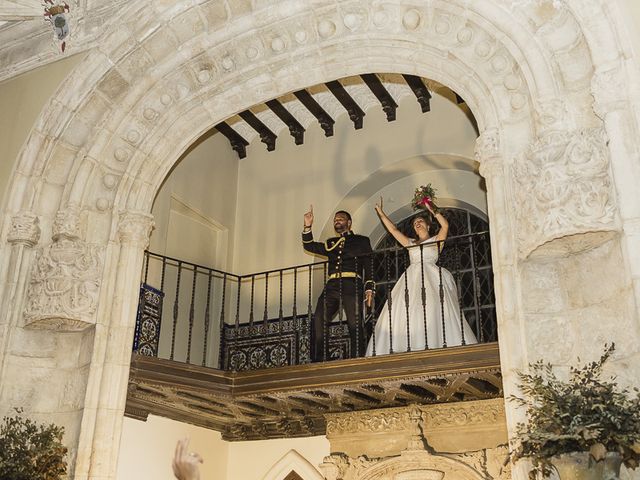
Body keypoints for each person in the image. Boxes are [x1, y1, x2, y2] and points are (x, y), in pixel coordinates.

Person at [366, 198, 477, 355]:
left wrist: (430, 206)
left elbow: (445, 225)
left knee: (432, 308)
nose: (417, 223)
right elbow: (393, 230)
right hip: (412, 279)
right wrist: (381, 213)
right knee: (409, 310)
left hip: (431, 278)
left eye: (420, 221)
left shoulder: (436, 240)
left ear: (428, 225)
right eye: (414, 223)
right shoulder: (411, 243)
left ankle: (434, 343)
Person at [302, 205, 375, 361]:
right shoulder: (331, 243)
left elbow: (369, 265)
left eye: (340, 218)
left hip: (352, 283)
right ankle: (320, 359)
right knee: (319, 318)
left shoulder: (362, 241)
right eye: (335, 220)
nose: (337, 221)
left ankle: (357, 358)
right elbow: (309, 245)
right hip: (332, 284)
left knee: (354, 323)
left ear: (349, 222)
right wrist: (307, 226)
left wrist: (369, 289)